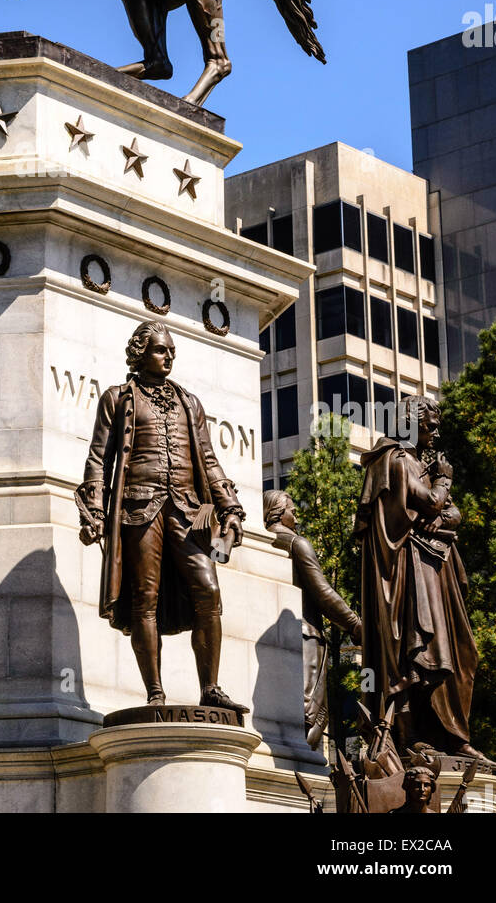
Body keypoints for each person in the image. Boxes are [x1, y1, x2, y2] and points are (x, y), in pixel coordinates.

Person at [77, 321, 245, 709]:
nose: (168, 356)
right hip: (139, 508)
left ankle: (211, 689)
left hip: (190, 512)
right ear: (139, 353)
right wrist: (95, 512)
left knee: (209, 591)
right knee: (145, 599)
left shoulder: (190, 402)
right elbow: (97, 459)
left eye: (171, 351)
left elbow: (207, 458)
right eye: (160, 350)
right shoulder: (117, 398)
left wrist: (230, 508)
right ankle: (155, 692)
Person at [354, 395, 484, 762]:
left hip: (434, 569)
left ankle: (453, 736)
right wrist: (443, 483)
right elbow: (430, 501)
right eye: (430, 425)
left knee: (461, 652)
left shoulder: (416, 463)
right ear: (411, 424)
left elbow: (450, 512)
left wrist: (439, 511)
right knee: (424, 654)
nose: (436, 431)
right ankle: (416, 735)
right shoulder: (395, 460)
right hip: (409, 575)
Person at [263, 489, 361, 750]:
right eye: (291, 509)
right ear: (278, 512)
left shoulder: (266, 542)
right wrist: (354, 623)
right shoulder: (296, 543)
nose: (295, 513)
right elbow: (322, 592)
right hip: (306, 638)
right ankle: (302, 773)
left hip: (273, 640)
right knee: (312, 716)